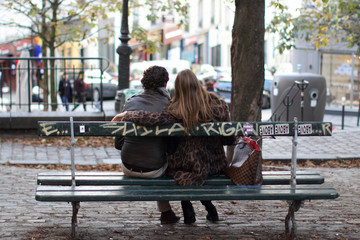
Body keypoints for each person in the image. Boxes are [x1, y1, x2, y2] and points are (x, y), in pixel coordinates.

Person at [112, 69, 235, 224]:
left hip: (184, 167)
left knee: (177, 166)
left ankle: (186, 207)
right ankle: (209, 207)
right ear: (198, 82)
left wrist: (128, 115)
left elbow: (154, 119)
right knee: (187, 164)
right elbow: (228, 139)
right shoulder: (219, 104)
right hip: (214, 164)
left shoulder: (176, 109)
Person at [111, 66, 180, 224]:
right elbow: (172, 146)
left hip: (128, 166)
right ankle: (166, 212)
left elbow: (118, 143)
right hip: (155, 170)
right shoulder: (168, 106)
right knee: (168, 159)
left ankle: (167, 213)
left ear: (144, 82)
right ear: (165, 82)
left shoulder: (130, 103)